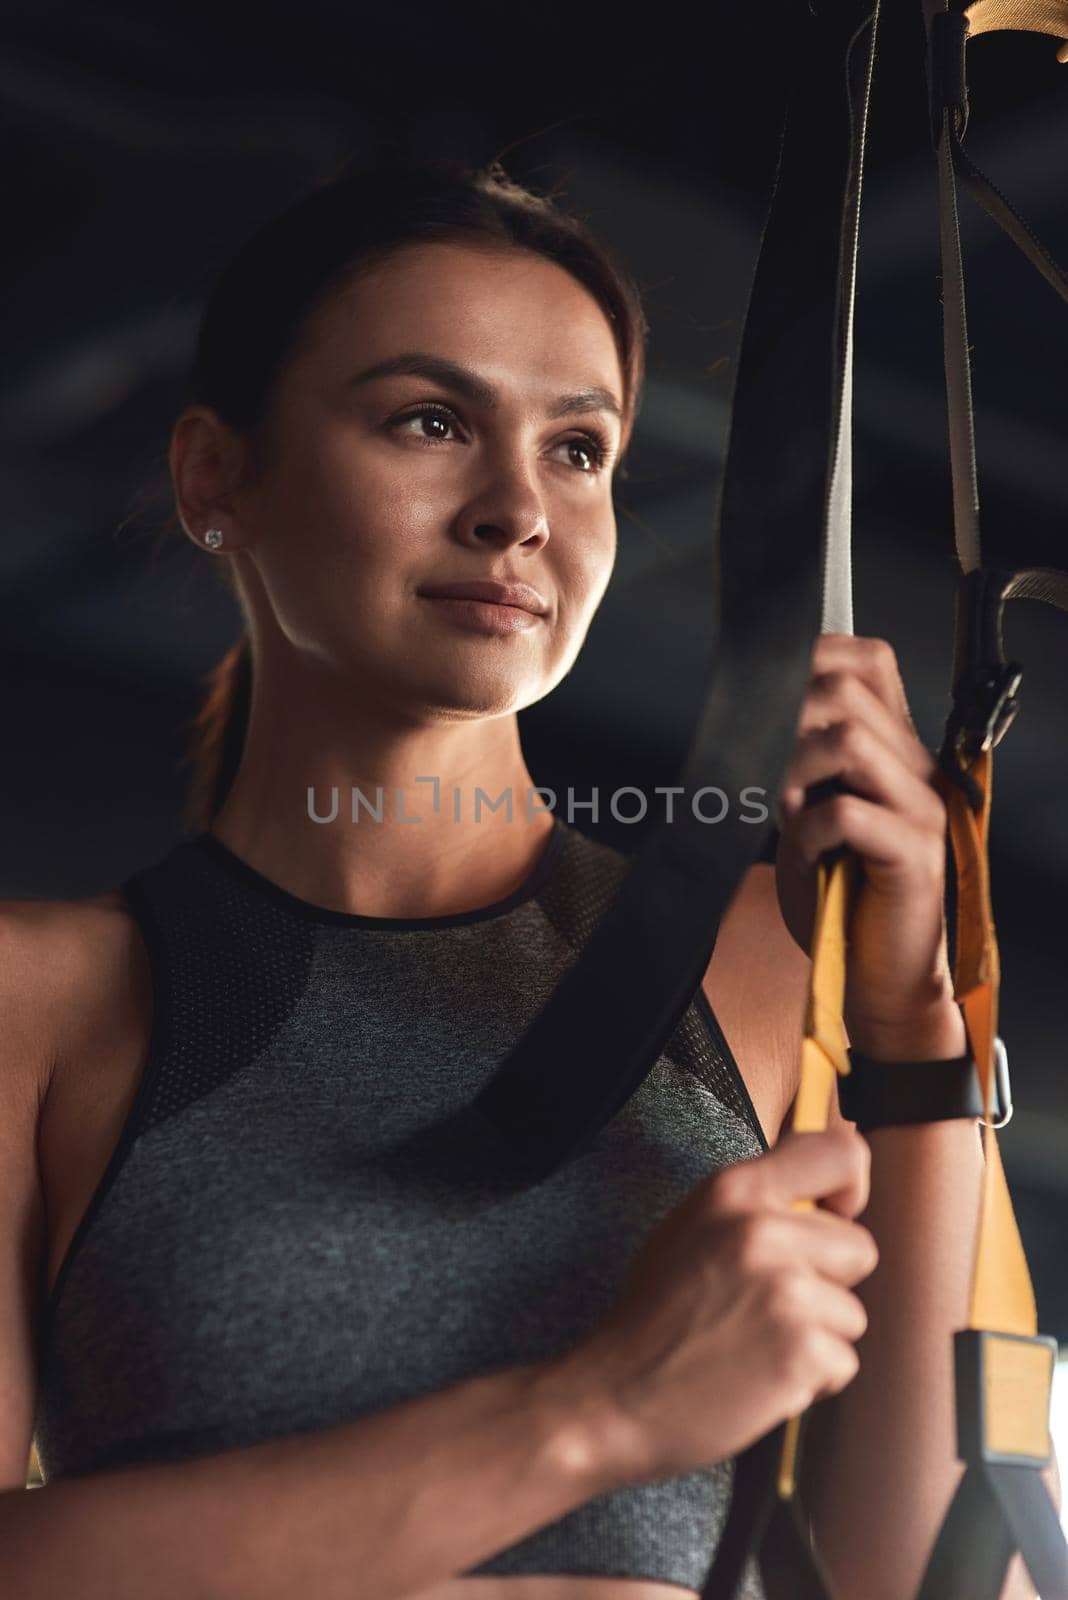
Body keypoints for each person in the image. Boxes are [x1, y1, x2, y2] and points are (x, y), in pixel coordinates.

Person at [0, 157, 1057, 1600]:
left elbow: (945, 1586)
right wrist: (598, 1415)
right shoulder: (41, 1003)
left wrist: (917, 1033)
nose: (518, 509)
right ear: (214, 476)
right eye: (430, 421)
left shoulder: (771, 969)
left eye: (579, 448)